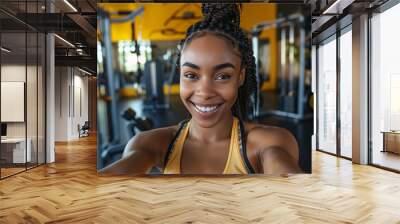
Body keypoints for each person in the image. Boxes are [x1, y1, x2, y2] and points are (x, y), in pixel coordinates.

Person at [99, 3, 302, 175]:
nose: (204, 92)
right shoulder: (150, 144)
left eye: (223, 76)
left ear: (240, 77)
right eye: (191, 75)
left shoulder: (268, 144)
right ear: (180, 75)